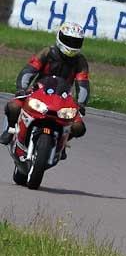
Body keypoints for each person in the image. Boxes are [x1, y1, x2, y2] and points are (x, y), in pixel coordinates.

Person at [1, 22, 90, 157]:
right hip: (38, 92)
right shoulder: (47, 52)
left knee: (79, 127)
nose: (72, 44)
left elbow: (83, 83)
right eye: (69, 40)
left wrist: (81, 103)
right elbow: (29, 71)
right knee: (13, 106)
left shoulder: (80, 62)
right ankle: (11, 128)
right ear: (60, 37)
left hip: (63, 98)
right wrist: (21, 89)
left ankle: (63, 142)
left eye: (76, 41)